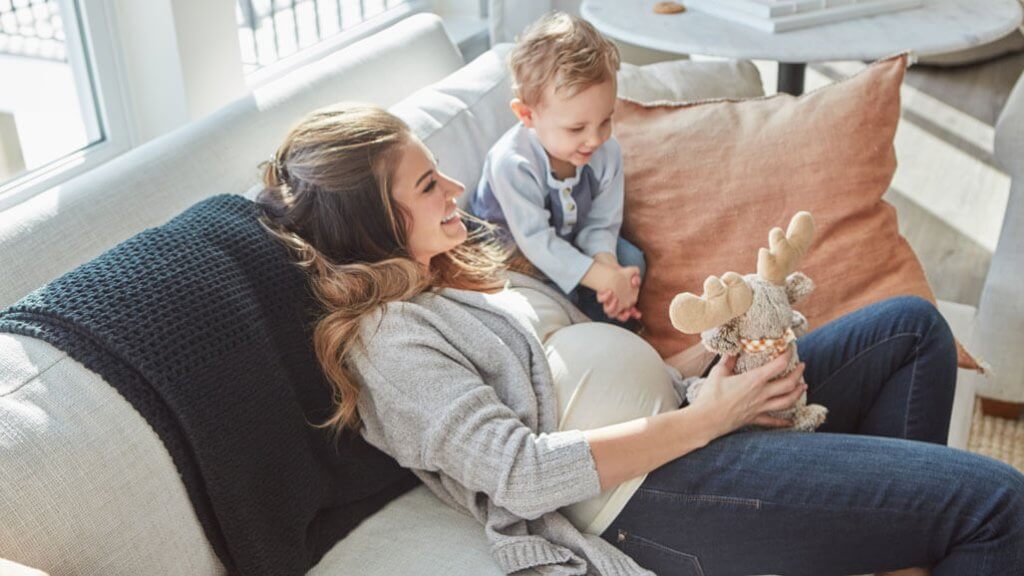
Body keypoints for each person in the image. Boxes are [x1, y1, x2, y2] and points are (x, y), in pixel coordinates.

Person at [257, 103, 1024, 576]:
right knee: (999, 503)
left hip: (686, 431)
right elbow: (520, 473)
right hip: (648, 502)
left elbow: (602, 373)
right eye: (428, 186)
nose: (455, 189)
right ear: (370, 221)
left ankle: (888, 550)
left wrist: (716, 362)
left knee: (910, 328)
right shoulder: (389, 341)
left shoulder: (461, 274)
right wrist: (715, 417)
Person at [471, 12, 644, 326]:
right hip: (515, 256)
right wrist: (600, 278)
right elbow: (536, 242)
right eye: (576, 128)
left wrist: (608, 269)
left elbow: (601, 224)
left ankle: (612, 320)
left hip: (566, 240)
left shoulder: (606, 152)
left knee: (631, 262)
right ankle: (589, 328)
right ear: (527, 114)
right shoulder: (513, 163)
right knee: (559, 295)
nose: (595, 138)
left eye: (605, 119)